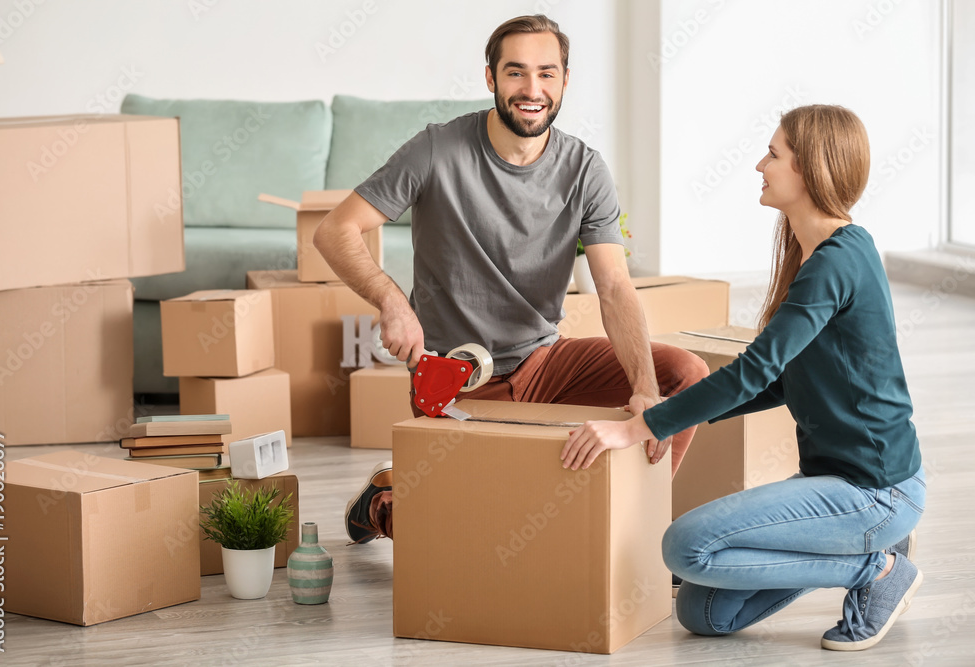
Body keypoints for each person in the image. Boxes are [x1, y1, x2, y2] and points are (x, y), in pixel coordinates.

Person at [314, 14, 709, 545]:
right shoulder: (437, 150)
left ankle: (634, 539)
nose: (532, 89)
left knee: (684, 376)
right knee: (479, 540)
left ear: (565, 81)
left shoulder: (585, 169)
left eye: (547, 74)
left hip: (544, 361)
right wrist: (391, 300)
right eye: (516, 73)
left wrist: (643, 388)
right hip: (456, 378)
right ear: (491, 79)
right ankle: (386, 503)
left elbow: (614, 286)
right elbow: (336, 230)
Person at [561, 104, 925, 652]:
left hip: (875, 490)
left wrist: (640, 428)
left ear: (812, 169)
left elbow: (755, 370)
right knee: (703, 610)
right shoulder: (816, 255)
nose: (759, 164)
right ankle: (845, 551)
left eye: (774, 154)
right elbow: (779, 383)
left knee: (685, 548)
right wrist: (672, 418)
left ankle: (874, 569)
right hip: (832, 483)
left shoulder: (838, 260)